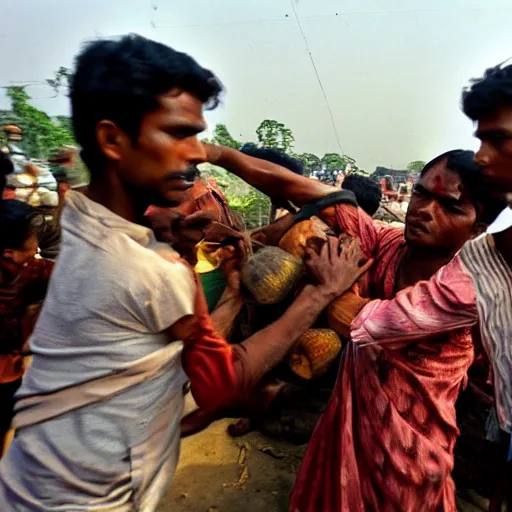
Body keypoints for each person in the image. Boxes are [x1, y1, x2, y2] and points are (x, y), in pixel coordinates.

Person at [0, 35, 369, 511]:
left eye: (198, 135)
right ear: (111, 139)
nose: (196, 152)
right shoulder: (152, 272)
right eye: (178, 133)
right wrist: (320, 294)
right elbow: (225, 380)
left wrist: (169, 236)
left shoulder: (75, 216)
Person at [202, 143, 503, 511]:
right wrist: (216, 154)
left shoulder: (462, 290)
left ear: (478, 228)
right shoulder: (389, 245)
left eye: (451, 206)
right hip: (349, 424)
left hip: (407, 450)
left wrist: (330, 284)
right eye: (422, 193)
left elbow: (356, 319)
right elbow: (319, 194)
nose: (424, 211)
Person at [338, 61, 512, 510]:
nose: (482, 157)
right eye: (421, 194)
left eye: (498, 140)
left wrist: (325, 290)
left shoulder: (474, 269)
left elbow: (375, 321)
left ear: (476, 224)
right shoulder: (481, 259)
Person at [0, 197, 54, 456]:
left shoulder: (30, 269)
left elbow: (62, 273)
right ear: (9, 253)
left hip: (10, 371)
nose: (36, 242)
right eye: (31, 236)